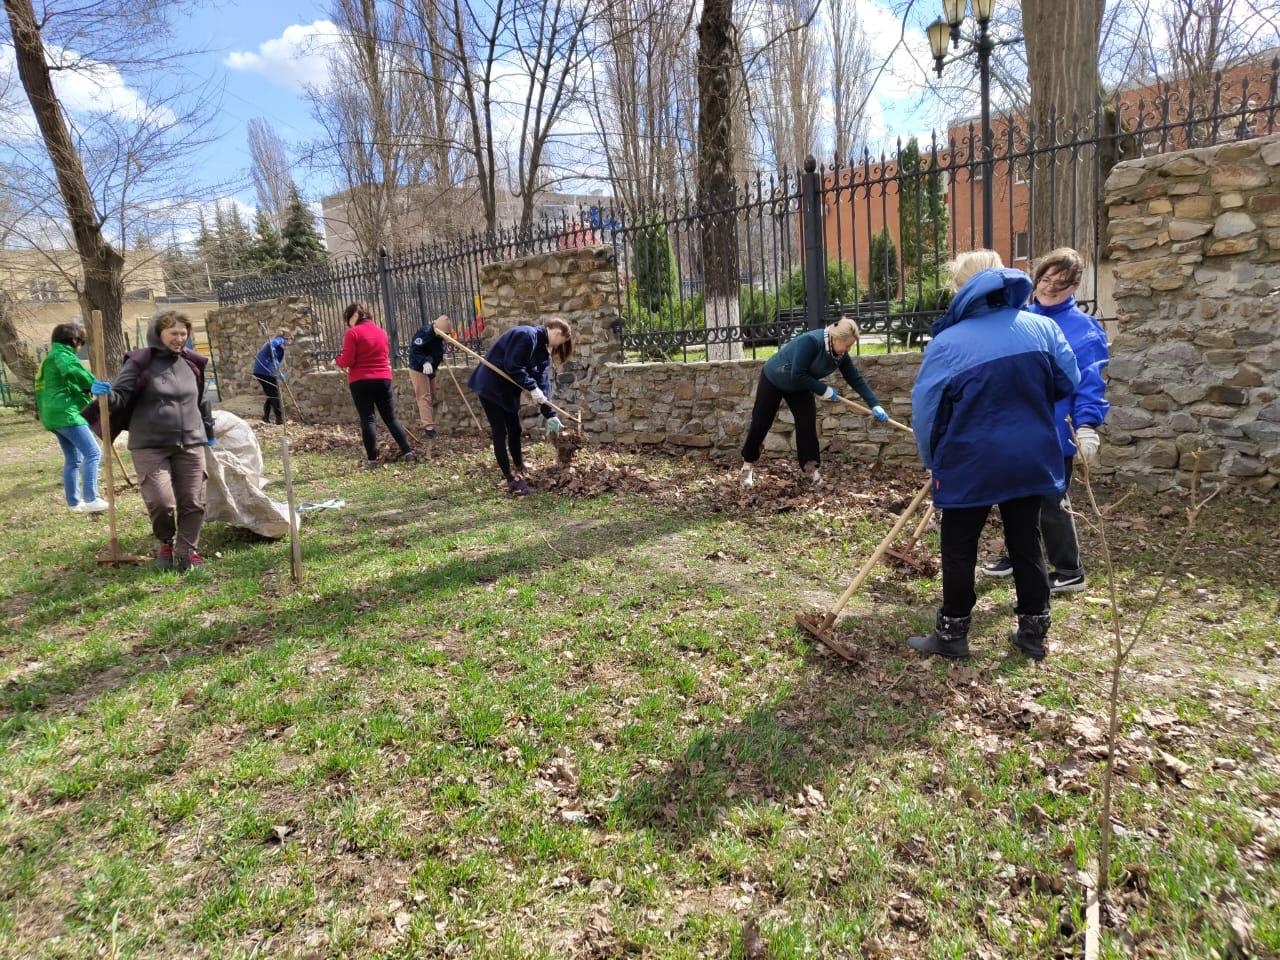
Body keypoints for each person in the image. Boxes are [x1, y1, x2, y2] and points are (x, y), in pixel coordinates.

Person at [906, 251, 1079, 662]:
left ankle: (953, 633)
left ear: (962, 291)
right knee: (1025, 540)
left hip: (970, 460)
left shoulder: (947, 344)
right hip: (1030, 456)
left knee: (960, 545)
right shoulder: (1042, 328)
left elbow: (926, 410)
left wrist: (932, 459)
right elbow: (1067, 380)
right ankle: (1033, 632)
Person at [981, 248, 1110, 594]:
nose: (1051, 287)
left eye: (1062, 282)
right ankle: (1019, 554)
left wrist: (1086, 426)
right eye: (1046, 278)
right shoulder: (1019, 317)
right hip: (1016, 426)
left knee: (1051, 500)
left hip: (1055, 429)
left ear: (1076, 286)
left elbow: (1090, 382)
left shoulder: (1084, 330)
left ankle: (1070, 570)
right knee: (1013, 496)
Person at [89, 311, 215, 571]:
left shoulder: (192, 363)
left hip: (190, 442)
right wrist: (106, 394)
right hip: (150, 444)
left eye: (183, 333)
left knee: (193, 501)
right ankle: (167, 542)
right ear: (158, 334)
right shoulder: (140, 363)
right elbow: (121, 397)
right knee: (160, 501)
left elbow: (202, 400)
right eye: (173, 333)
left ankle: (187, 550)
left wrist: (209, 433)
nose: (179, 338)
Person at [739, 318, 888, 487]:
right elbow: (797, 373)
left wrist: (874, 404)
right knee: (761, 422)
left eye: (851, 346)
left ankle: (811, 469)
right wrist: (824, 389)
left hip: (800, 385)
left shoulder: (840, 354)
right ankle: (747, 466)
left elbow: (855, 378)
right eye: (847, 345)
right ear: (836, 338)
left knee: (807, 424)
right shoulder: (811, 342)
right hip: (775, 377)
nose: (849, 349)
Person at [467, 318, 573, 496]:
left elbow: (542, 384)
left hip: (508, 391)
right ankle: (509, 478)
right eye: (560, 343)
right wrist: (531, 387)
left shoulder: (541, 350)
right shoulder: (526, 335)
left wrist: (550, 414)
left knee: (515, 429)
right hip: (491, 386)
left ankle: (519, 465)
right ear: (556, 333)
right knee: (500, 431)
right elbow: (512, 365)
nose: (556, 347)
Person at [35, 322, 108, 513]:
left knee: (73, 459)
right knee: (93, 453)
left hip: (52, 416)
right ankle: (92, 499)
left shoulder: (49, 358)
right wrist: (92, 383)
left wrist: (84, 390)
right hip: (67, 414)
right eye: (79, 344)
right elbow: (73, 371)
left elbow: (64, 384)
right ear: (74, 340)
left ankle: (75, 502)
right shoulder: (62, 355)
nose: (79, 349)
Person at [334, 302, 416, 468]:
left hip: (360, 380)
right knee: (390, 417)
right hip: (383, 378)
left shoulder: (353, 333)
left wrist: (337, 361)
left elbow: (348, 360)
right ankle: (408, 452)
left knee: (368, 419)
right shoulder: (382, 332)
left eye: (348, 319)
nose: (348, 323)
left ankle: (372, 460)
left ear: (354, 316)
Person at [407, 314, 453, 438]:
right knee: (424, 396)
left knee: (431, 394)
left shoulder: (438, 335)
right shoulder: (425, 333)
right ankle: (428, 428)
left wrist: (440, 356)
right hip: (418, 368)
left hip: (431, 368)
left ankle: (429, 422)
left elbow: (436, 347)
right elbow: (415, 350)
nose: (446, 337)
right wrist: (425, 361)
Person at [252, 327, 292, 424]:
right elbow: (272, 345)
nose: (289, 343)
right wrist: (276, 369)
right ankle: (280, 420)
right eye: (290, 339)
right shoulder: (279, 340)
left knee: (271, 394)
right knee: (275, 395)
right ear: (287, 337)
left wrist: (277, 372)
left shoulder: (279, 347)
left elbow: (274, 360)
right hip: (265, 371)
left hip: (260, 371)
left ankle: (266, 417)